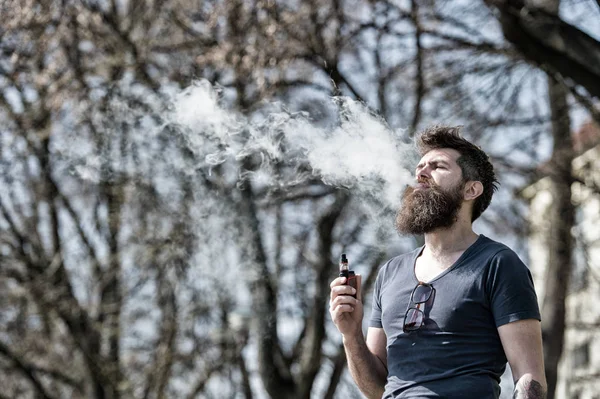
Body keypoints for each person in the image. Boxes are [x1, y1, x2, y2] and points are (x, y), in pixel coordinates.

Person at [329, 125, 546, 398]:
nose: (421, 173)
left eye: (437, 166)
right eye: (420, 167)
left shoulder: (498, 264)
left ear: (471, 189)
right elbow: (376, 388)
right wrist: (350, 334)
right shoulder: (390, 272)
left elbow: (529, 378)